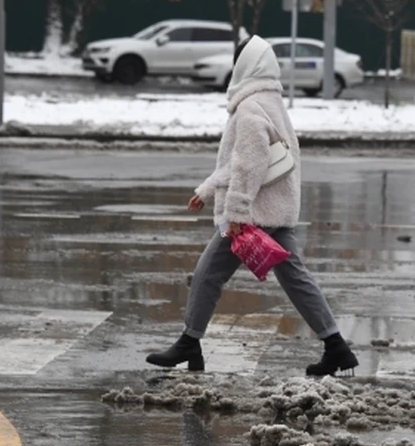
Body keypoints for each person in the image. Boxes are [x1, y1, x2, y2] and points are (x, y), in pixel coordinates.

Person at [146, 35, 359, 377]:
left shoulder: (248, 108)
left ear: (244, 66)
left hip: (255, 215)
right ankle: (337, 347)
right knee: (296, 279)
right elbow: (249, 160)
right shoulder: (271, 103)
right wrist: (208, 189)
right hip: (278, 209)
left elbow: (249, 166)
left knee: (206, 276)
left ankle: (189, 343)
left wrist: (237, 215)